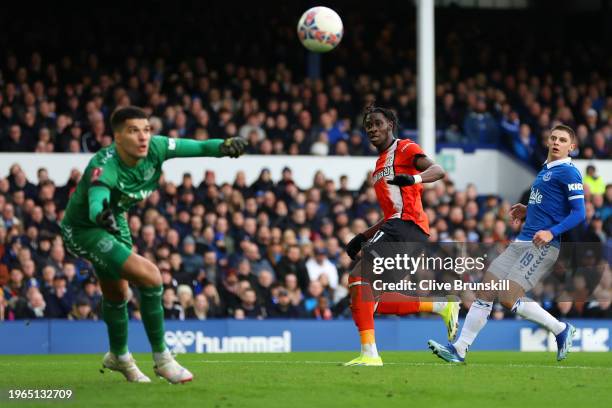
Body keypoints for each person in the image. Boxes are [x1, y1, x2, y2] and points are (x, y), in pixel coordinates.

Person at [60, 106, 247, 383]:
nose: (143, 136)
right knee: (151, 277)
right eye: (134, 131)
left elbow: (198, 147)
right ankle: (163, 359)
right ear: (118, 137)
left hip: (117, 219)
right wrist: (101, 214)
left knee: (117, 293)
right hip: (86, 228)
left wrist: (224, 146)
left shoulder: (157, 148)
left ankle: (119, 357)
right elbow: (96, 200)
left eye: (146, 129)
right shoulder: (105, 164)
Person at [428, 124, 585, 363]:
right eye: (553, 138)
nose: (556, 142)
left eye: (563, 140)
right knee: (486, 291)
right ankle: (459, 349)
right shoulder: (546, 169)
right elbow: (550, 205)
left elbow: (579, 213)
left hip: (542, 246)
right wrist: (527, 209)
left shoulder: (568, 172)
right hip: (522, 241)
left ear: (571, 147)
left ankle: (561, 329)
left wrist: (552, 233)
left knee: (508, 296)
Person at [342, 105, 459, 367]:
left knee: (358, 278)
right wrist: (363, 235)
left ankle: (370, 355)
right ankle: (440, 306)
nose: (372, 128)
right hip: (400, 227)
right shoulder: (379, 165)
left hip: (406, 227)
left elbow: (438, 170)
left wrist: (414, 179)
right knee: (370, 298)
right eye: (368, 125)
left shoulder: (404, 148)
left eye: (377, 123)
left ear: (390, 125)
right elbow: (392, 211)